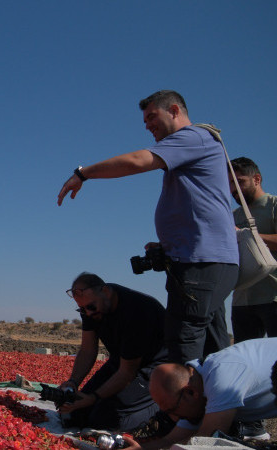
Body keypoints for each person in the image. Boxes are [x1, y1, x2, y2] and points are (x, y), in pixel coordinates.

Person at [57, 90, 238, 364]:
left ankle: (183, 405)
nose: (147, 125)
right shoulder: (195, 146)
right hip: (199, 259)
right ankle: (216, 404)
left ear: (175, 110)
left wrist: (83, 174)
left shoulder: (193, 138)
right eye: (144, 121)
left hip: (200, 263)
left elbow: (137, 161)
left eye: (152, 116)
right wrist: (168, 244)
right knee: (212, 346)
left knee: (183, 344)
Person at [56, 273, 168, 432]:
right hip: (120, 362)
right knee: (75, 414)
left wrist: (93, 398)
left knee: (107, 420)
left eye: (91, 307)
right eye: (81, 309)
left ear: (106, 292)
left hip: (154, 369)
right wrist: (73, 382)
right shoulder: (91, 306)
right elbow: (88, 350)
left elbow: (128, 373)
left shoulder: (136, 311)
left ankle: (161, 409)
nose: (88, 313)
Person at [123, 338, 277, 449]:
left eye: (171, 410)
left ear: (190, 393)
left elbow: (205, 443)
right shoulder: (194, 385)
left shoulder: (221, 379)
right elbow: (173, 439)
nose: (173, 418)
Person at [229, 157, 277, 342]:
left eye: (239, 181)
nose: (234, 189)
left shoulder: (273, 206)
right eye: (230, 184)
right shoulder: (231, 216)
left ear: (256, 179)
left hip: (273, 297)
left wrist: (247, 236)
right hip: (242, 301)